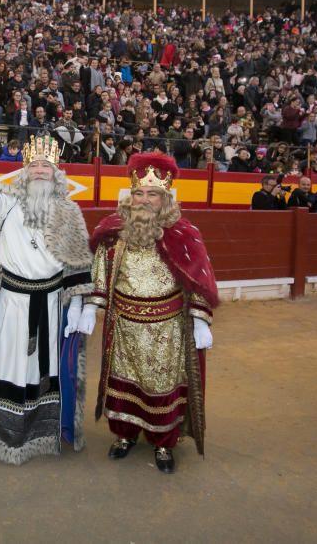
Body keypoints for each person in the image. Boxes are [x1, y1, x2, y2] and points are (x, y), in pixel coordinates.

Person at [0, 118, 93, 465]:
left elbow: (78, 262)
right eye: (35, 165)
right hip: (12, 302)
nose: (41, 170)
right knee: (8, 365)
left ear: (57, 172)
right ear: (25, 170)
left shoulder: (69, 212)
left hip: (49, 305)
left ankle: (37, 432)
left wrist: (80, 304)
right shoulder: (7, 202)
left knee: (40, 371)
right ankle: (1, 432)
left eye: (47, 165)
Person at [85, 152, 218, 474]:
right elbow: (100, 272)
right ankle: (125, 435)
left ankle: (163, 443)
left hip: (167, 331)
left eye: (153, 194)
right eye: (140, 193)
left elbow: (198, 276)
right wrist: (92, 305)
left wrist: (200, 317)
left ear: (166, 198)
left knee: (161, 387)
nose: (145, 200)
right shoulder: (113, 232)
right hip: (124, 328)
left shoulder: (184, 233)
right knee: (124, 384)